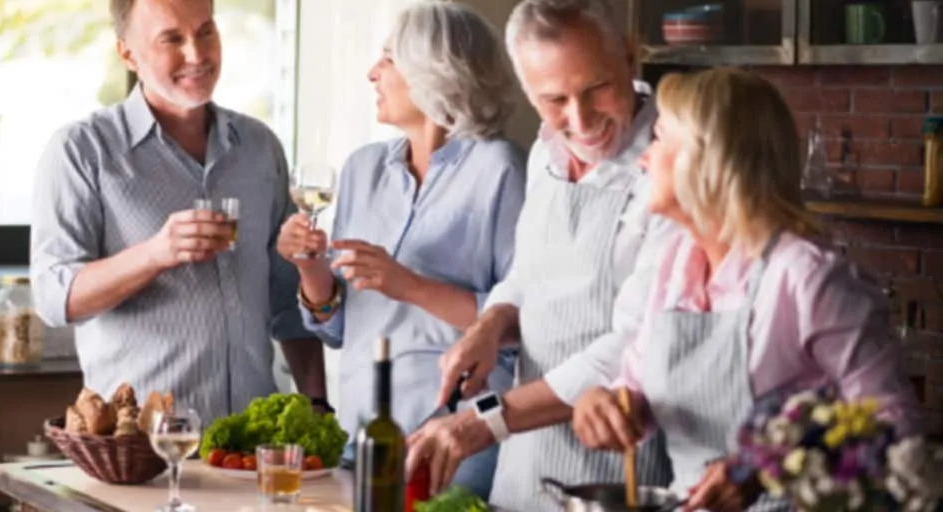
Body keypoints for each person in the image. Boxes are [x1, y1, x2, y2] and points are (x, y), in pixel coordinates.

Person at [570, 67, 924, 512]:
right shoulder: (674, 265)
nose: (643, 158)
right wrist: (602, 405)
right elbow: (635, 392)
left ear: (706, 160)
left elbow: (894, 428)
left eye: (658, 139)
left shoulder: (806, 277)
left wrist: (763, 470)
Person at [406, 1, 676, 510]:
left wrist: (485, 419)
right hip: (525, 469)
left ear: (630, 56)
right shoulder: (544, 153)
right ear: (528, 92)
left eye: (597, 88)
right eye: (554, 99)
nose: (581, 119)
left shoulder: (672, 162)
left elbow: (637, 344)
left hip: (618, 476)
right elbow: (526, 278)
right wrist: (489, 326)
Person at [29, 0, 326, 427]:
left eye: (206, 31)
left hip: (250, 448)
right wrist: (155, 254)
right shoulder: (82, 152)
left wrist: (318, 406)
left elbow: (287, 299)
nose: (198, 54)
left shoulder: (260, 148)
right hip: (144, 451)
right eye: (172, 39)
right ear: (127, 53)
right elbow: (54, 298)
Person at [275, 1, 525, 500]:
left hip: (455, 445)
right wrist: (310, 269)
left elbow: (519, 328)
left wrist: (408, 284)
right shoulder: (362, 168)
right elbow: (338, 325)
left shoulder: (501, 171)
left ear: (433, 72)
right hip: (361, 436)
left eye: (387, 59)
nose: (373, 73)